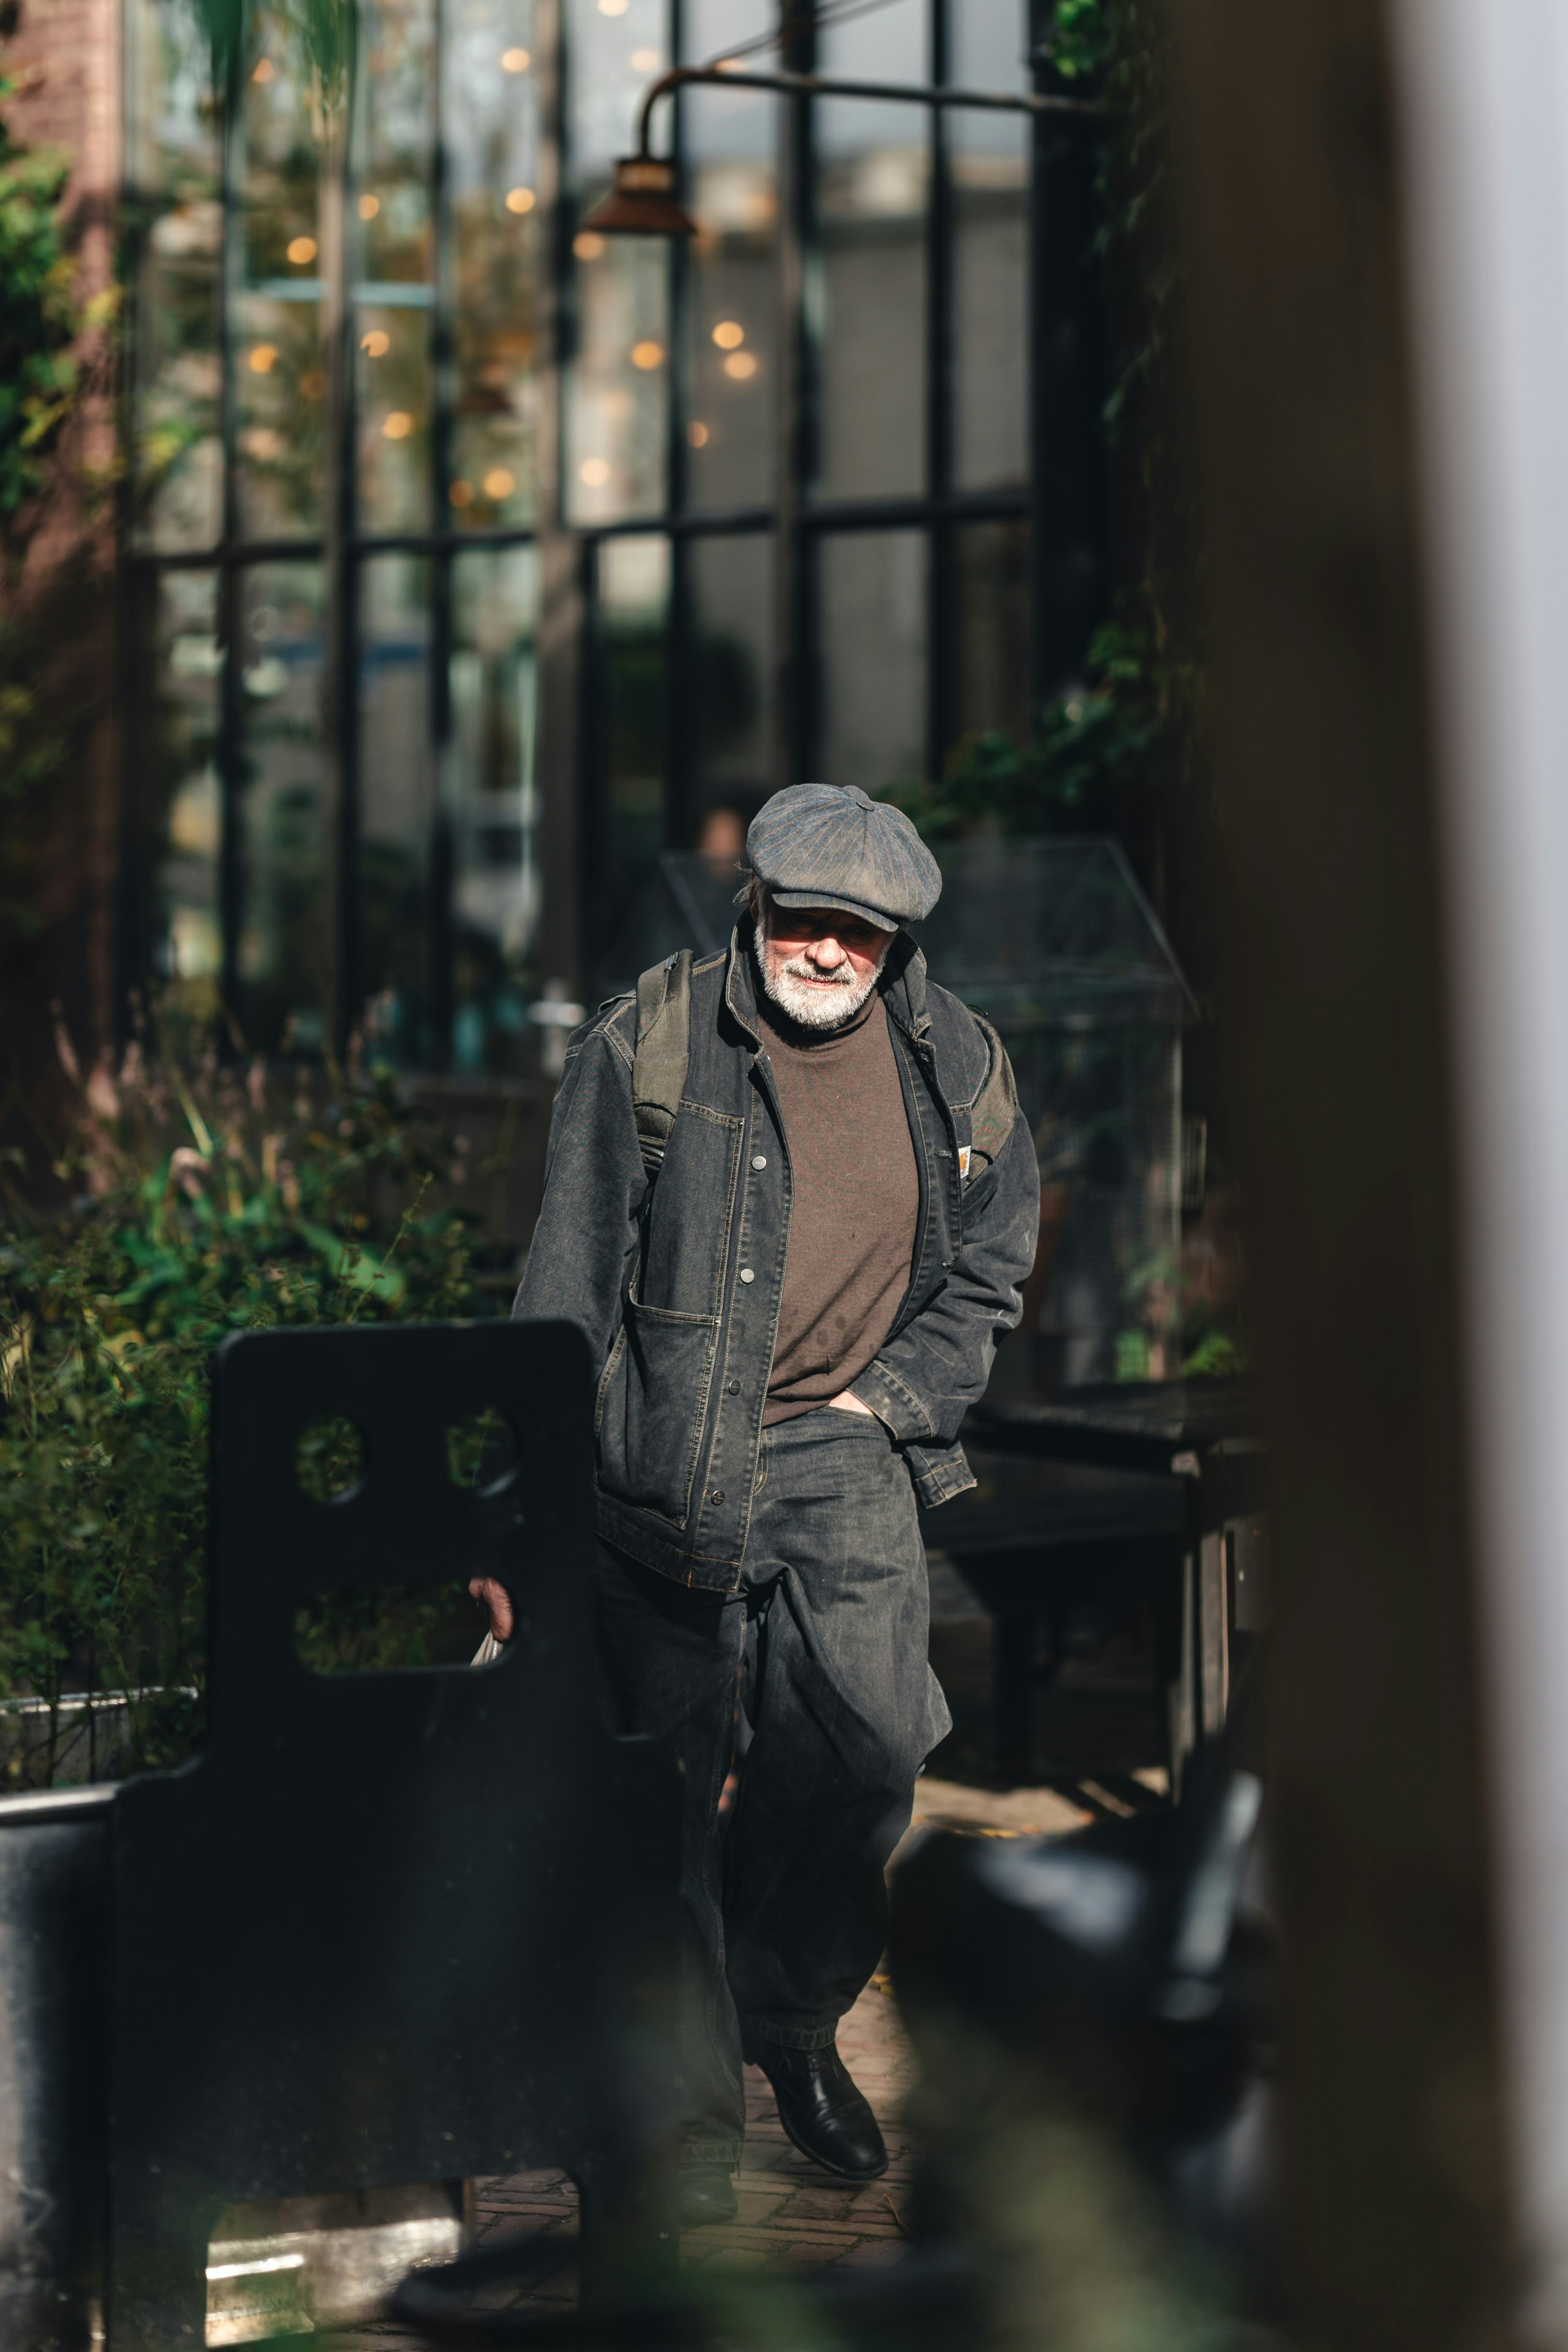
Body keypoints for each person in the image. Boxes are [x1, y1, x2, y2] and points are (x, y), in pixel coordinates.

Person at [475, 783, 1040, 2225]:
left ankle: (782, 2015)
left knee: (867, 1752)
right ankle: (681, 2129)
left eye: (865, 931)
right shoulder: (650, 1042)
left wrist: (887, 1403)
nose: (831, 950)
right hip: (659, 1452)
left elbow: (992, 1263)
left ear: (898, 941)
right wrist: (515, 1523)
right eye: (807, 919)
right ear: (756, 904)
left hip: (845, 1444)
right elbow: (562, 1291)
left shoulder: (961, 1063)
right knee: (659, 1807)